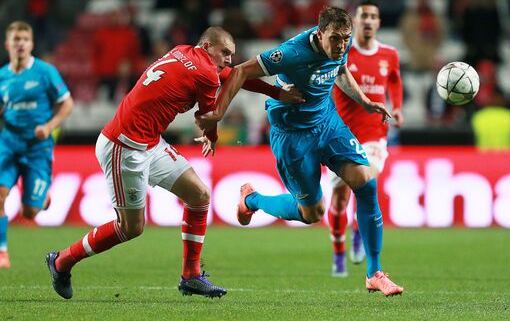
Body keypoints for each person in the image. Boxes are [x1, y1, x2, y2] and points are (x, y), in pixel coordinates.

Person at [45, 26, 303, 299]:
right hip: (124, 146)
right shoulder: (205, 73)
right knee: (130, 228)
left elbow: (231, 75)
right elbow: (208, 118)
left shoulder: (182, 51)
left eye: (232, 54)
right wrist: (211, 137)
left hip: (150, 142)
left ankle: (190, 276)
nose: (229, 59)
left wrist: (275, 93)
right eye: (225, 52)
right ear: (206, 47)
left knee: (200, 195)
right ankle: (61, 261)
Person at [197, 7, 404, 296]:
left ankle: (374, 273)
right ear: (320, 34)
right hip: (293, 137)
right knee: (312, 213)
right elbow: (240, 71)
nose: (342, 44)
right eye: (335, 38)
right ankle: (252, 200)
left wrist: (365, 102)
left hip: (328, 124)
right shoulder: (292, 53)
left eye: (346, 38)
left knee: (367, 181)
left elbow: (340, 70)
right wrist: (217, 113)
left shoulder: (340, 46)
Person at [328, 0, 404, 277]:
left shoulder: (390, 54)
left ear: (379, 23)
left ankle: (360, 234)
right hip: (340, 136)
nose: (369, 20)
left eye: (374, 16)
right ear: (355, 22)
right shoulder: (341, 52)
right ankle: (338, 253)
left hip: (375, 136)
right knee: (338, 200)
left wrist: (397, 106)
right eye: (364, 16)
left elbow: (395, 79)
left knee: (366, 184)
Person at [0, 21, 74, 268]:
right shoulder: (2, 76)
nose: (20, 43)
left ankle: (41, 200)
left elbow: (67, 104)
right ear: (7, 44)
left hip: (37, 149)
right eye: (16, 38)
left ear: (31, 44)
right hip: (8, 144)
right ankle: (2, 251)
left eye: (24, 39)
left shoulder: (45, 72)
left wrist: (49, 126)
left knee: (29, 212)